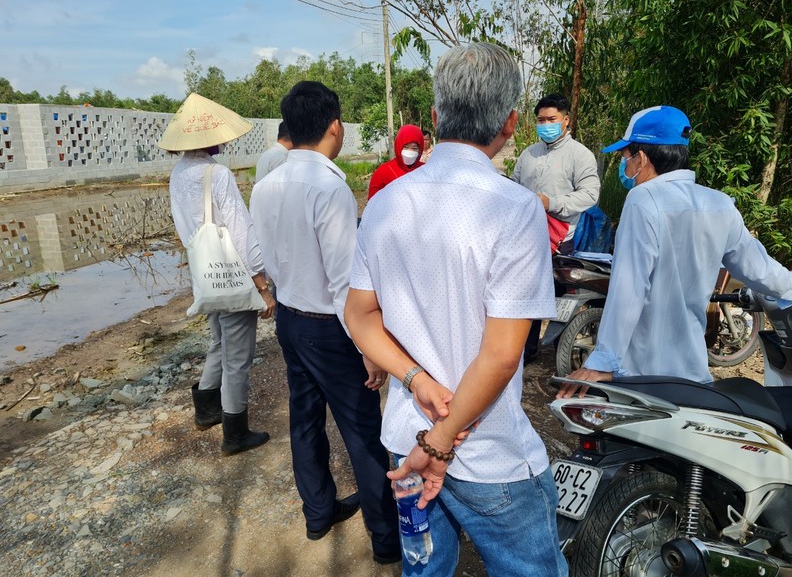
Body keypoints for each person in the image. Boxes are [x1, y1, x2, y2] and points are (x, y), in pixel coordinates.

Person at [345, 43, 567, 577]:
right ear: (512, 123)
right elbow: (500, 356)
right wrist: (440, 443)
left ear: (437, 116)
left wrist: (414, 379)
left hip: (407, 438)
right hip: (487, 452)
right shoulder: (514, 208)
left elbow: (359, 316)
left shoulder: (385, 204)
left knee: (425, 570)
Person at [249, 81, 401, 564]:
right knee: (361, 428)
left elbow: (262, 255)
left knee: (306, 419)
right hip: (328, 327)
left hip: (290, 321)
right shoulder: (330, 187)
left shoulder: (265, 184)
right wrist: (368, 347)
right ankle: (385, 538)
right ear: (334, 126)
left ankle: (318, 512)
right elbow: (343, 284)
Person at [559, 105, 792, 399]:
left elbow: (629, 289)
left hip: (641, 375)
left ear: (642, 157)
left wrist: (602, 360)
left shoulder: (642, 200)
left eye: (625, 157)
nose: (626, 167)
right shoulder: (720, 204)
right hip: (692, 373)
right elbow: (761, 271)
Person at [159, 92, 276, 456]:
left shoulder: (178, 175)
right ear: (208, 139)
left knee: (218, 342)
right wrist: (261, 283)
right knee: (238, 356)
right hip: (233, 275)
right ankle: (235, 432)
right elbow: (240, 231)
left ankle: (206, 410)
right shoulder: (218, 174)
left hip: (206, 273)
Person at [512, 93, 600, 364]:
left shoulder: (580, 155)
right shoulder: (529, 154)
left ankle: (564, 349)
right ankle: (526, 351)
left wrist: (553, 203)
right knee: (527, 293)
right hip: (527, 237)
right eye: (541, 120)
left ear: (565, 121)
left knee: (561, 294)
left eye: (551, 119)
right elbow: (515, 185)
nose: (545, 124)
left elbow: (590, 194)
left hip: (561, 238)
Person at [367, 124, 424, 200]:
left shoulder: (425, 170)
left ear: (420, 150)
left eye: (414, 148)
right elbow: (372, 202)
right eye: (405, 147)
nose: (409, 151)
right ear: (398, 145)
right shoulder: (383, 171)